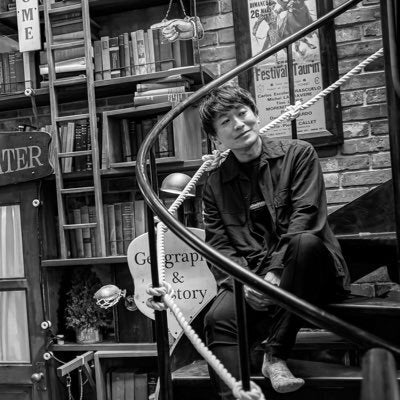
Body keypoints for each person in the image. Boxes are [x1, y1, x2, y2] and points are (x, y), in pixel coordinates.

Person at [199, 84, 349, 399]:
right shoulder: (214, 184)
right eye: (225, 121)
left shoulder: (299, 153)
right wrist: (245, 282)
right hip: (252, 276)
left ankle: (275, 354)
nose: (238, 124)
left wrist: (276, 273)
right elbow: (218, 246)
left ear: (255, 114)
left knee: (304, 242)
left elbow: (306, 216)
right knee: (218, 318)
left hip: (307, 269)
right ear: (215, 138)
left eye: (242, 113)